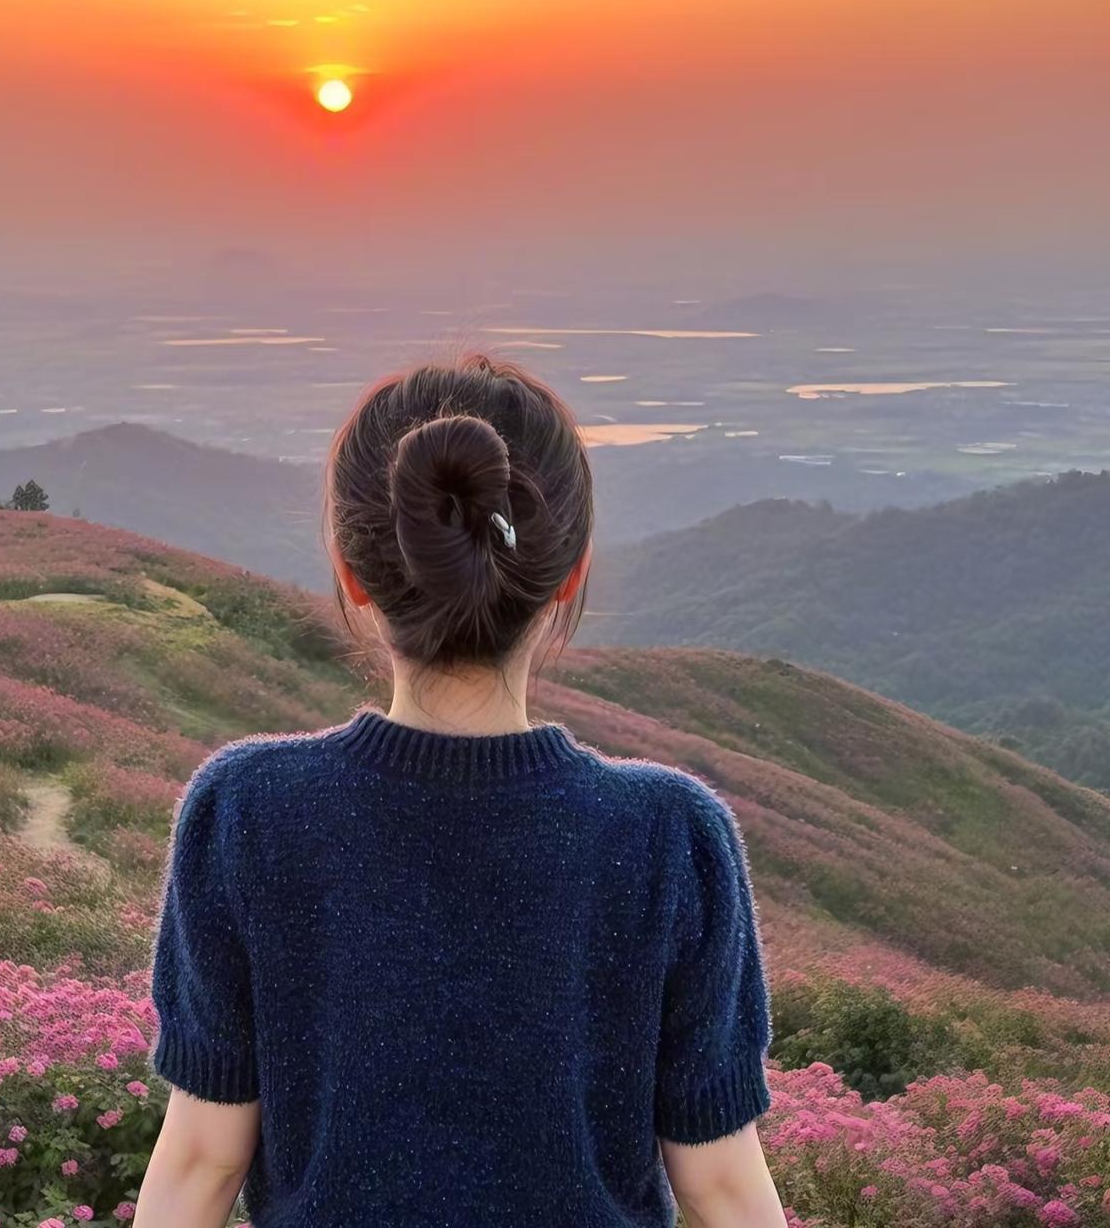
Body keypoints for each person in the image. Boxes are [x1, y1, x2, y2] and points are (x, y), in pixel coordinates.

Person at [137, 354, 784, 1228]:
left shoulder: (248, 811)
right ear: (570, 577)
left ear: (352, 574)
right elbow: (722, 1190)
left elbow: (202, 1164)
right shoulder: (672, 835)